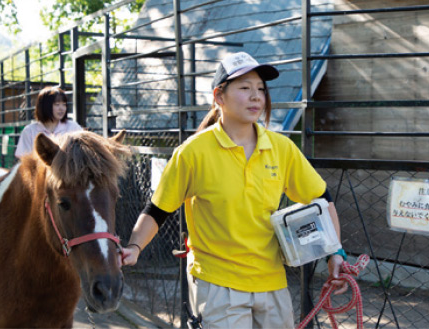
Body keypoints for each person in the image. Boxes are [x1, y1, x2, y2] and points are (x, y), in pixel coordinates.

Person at [121, 52, 347, 328]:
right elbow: (157, 210)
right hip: (217, 287)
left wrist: (336, 253)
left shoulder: (282, 148)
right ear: (219, 97)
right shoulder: (192, 152)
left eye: (261, 89)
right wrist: (134, 247)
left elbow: (321, 198)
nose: (256, 97)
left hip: (272, 282)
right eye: (244, 88)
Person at [14, 86, 83, 158]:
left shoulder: (73, 127)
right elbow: (23, 159)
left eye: (64, 104)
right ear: (45, 106)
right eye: (57, 105)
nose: (62, 108)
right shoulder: (29, 131)